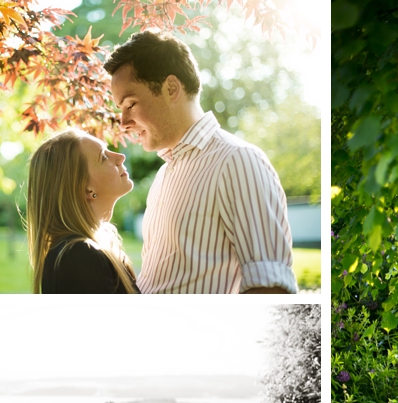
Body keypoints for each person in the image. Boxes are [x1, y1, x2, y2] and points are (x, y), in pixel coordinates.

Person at [104, 31, 298, 294]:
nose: (124, 123)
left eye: (131, 104)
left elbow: (271, 287)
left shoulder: (237, 160)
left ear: (171, 88)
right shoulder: (164, 175)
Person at [26, 128, 139, 293]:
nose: (120, 157)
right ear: (86, 189)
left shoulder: (77, 252)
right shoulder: (79, 257)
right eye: (104, 157)